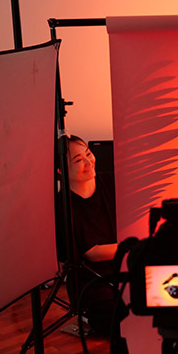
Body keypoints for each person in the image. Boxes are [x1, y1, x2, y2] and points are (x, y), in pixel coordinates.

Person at [61, 135, 122, 336]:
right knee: (120, 322)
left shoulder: (112, 181)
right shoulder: (64, 206)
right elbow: (93, 253)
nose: (88, 162)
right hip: (94, 282)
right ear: (60, 170)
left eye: (88, 154)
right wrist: (137, 245)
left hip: (126, 266)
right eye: (78, 160)